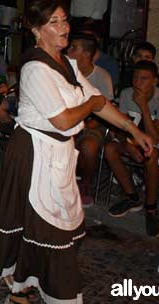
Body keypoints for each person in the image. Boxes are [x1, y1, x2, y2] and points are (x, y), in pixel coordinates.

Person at [0, 0, 153, 304]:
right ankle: (40, 292)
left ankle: (24, 289)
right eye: (54, 22)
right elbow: (63, 119)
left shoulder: (67, 64)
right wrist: (90, 104)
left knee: (51, 223)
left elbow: (99, 99)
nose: (64, 27)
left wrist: (134, 130)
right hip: (34, 153)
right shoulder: (35, 68)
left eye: (65, 20)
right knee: (44, 226)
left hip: (58, 154)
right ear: (36, 30)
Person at [104, 61, 159, 237]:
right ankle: (132, 197)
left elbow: (155, 137)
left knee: (151, 156)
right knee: (110, 148)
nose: (137, 82)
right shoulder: (127, 94)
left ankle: (151, 207)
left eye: (144, 78)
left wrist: (143, 106)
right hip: (134, 140)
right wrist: (127, 144)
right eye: (135, 77)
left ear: (154, 81)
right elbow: (120, 127)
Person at [67, 32, 115, 207]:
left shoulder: (102, 77)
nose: (69, 51)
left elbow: (105, 109)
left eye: (74, 48)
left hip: (93, 124)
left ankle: (85, 185)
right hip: (70, 120)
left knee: (88, 145)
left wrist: (83, 125)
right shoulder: (66, 72)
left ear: (87, 54)